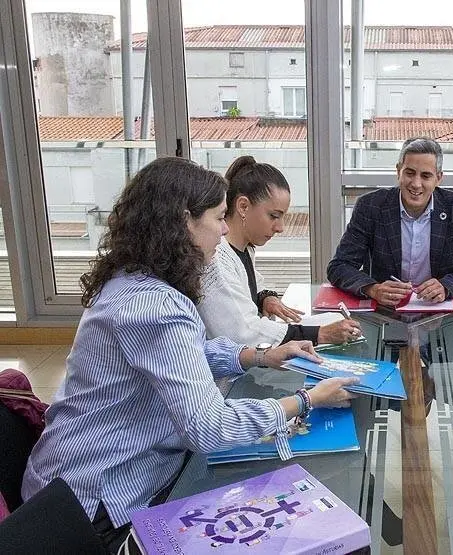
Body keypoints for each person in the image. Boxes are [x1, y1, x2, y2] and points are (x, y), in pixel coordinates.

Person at [21, 157, 358, 554]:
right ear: (184, 222)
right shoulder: (155, 305)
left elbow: (186, 353)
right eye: (217, 217)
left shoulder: (134, 280)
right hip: (97, 507)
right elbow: (209, 427)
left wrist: (258, 357)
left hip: (78, 481)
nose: (224, 228)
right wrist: (305, 400)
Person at [198, 155, 361, 346]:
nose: (280, 227)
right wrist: (320, 334)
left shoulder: (244, 248)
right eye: (273, 216)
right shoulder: (216, 259)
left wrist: (265, 298)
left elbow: (247, 288)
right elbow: (244, 332)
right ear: (243, 206)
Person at [326, 137, 453, 306]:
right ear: (398, 171)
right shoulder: (370, 206)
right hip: (385, 310)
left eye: (426, 176)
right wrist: (373, 289)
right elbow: (339, 266)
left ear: (438, 178)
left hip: (439, 310)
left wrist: (446, 286)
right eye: (409, 173)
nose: (416, 184)